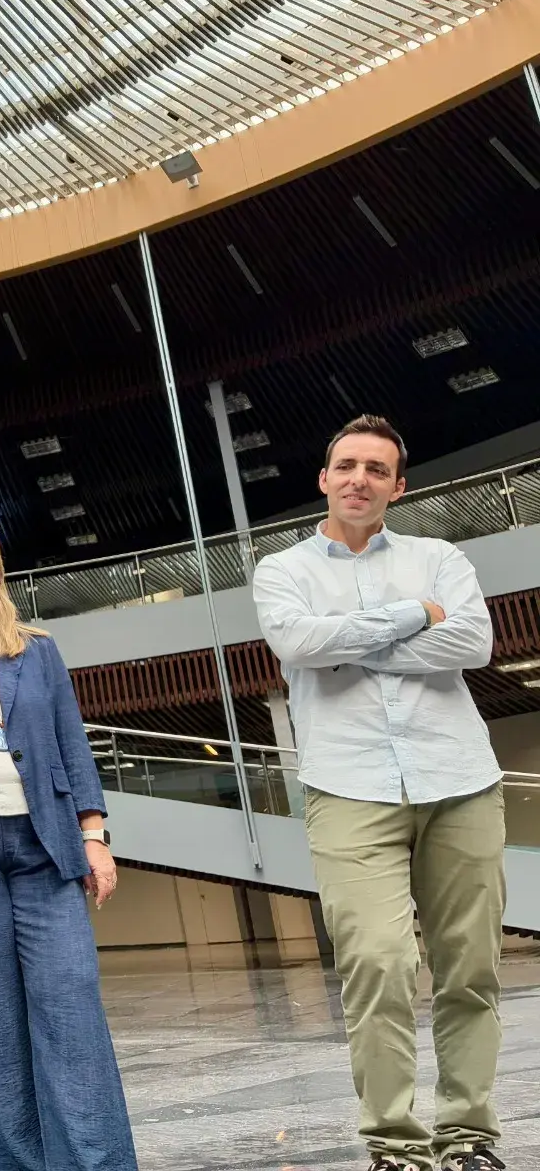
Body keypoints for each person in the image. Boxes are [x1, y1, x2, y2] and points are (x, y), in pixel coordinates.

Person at [252, 415, 506, 1171]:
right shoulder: (282, 570)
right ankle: (396, 1146)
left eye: (376, 468)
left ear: (399, 486)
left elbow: (474, 643)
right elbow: (299, 645)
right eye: (346, 465)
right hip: (347, 784)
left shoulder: (440, 556)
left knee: (470, 967)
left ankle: (469, 1137)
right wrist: (406, 620)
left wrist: (351, 643)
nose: (359, 478)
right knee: (379, 962)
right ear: (324, 478)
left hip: (460, 778)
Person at [0, 514, 136, 1171]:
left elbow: (73, 746)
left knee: (71, 1013)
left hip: (46, 850)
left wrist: (94, 837)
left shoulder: (37, 650)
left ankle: (97, 1163)